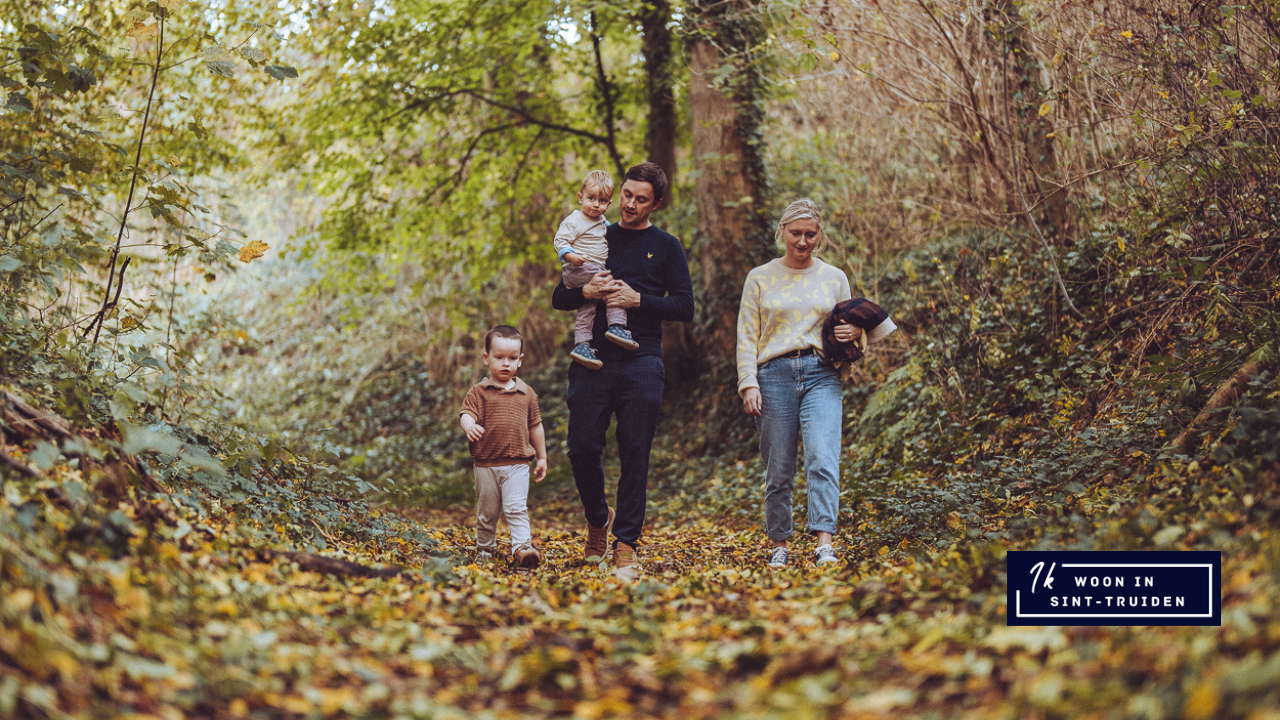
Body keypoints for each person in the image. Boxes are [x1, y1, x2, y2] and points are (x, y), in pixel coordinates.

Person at [551, 162, 694, 581]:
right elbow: (560, 296)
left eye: (641, 199)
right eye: (627, 195)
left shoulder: (666, 246)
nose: (630, 205)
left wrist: (639, 299)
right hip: (591, 358)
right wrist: (585, 291)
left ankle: (626, 543)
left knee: (635, 451)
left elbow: (685, 306)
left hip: (643, 359)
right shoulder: (596, 230)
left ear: (657, 203)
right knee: (581, 448)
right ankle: (599, 518)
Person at [736, 199, 895, 569]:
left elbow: (852, 321)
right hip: (772, 374)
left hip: (822, 373)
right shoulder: (759, 277)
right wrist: (748, 382)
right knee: (778, 466)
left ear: (819, 234)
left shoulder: (834, 276)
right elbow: (747, 334)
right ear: (782, 232)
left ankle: (824, 542)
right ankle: (779, 543)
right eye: (796, 233)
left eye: (810, 234)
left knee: (823, 456)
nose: (803, 241)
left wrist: (857, 332)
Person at [459, 325, 549, 568]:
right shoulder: (478, 392)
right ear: (487, 358)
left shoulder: (527, 393)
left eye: (511, 358)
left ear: (520, 361)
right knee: (487, 512)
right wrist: (469, 426)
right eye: (499, 358)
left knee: (516, 507)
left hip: (518, 463)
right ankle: (485, 550)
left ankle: (522, 548)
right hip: (486, 464)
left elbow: (535, 426)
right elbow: (466, 414)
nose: (505, 364)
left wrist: (542, 457)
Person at [554, 169, 639, 370]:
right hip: (580, 268)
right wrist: (571, 256)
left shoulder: (604, 224)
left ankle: (582, 345)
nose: (595, 204)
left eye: (602, 201)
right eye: (591, 198)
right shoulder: (574, 220)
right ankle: (617, 326)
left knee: (587, 307)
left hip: (591, 270)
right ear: (580, 197)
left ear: (609, 204)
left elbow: (614, 242)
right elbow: (560, 239)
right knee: (614, 287)